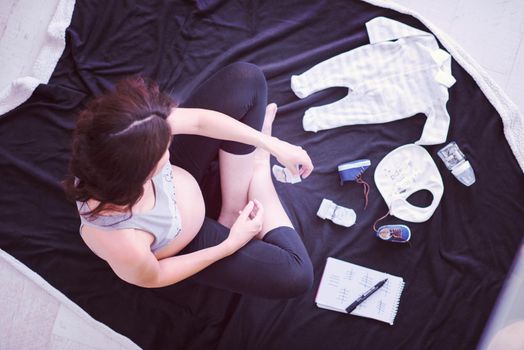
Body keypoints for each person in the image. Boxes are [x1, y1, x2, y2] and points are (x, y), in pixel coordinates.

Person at [63, 62, 315, 298]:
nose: (169, 148)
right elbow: (154, 276)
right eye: (164, 152)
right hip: (187, 238)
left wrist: (271, 144)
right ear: (138, 175)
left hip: (182, 182)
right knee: (296, 274)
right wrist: (228, 245)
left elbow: (198, 122)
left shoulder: (127, 131)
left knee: (245, 78)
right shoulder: (121, 240)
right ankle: (258, 170)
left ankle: (231, 209)